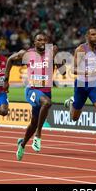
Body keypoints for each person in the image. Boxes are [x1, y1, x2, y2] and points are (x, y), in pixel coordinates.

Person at [5, 32, 58, 161]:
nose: (42, 42)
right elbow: (10, 60)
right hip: (31, 90)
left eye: (45, 40)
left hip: (46, 90)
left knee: (33, 123)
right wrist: (6, 80)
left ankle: (22, 144)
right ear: (34, 42)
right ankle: (38, 136)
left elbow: (62, 70)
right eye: (39, 40)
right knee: (47, 103)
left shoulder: (52, 52)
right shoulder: (27, 54)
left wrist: (58, 60)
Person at [64, 26, 96, 149]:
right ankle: (72, 103)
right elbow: (73, 69)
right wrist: (85, 73)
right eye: (93, 34)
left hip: (93, 84)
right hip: (81, 84)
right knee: (74, 118)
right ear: (87, 37)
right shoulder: (81, 49)